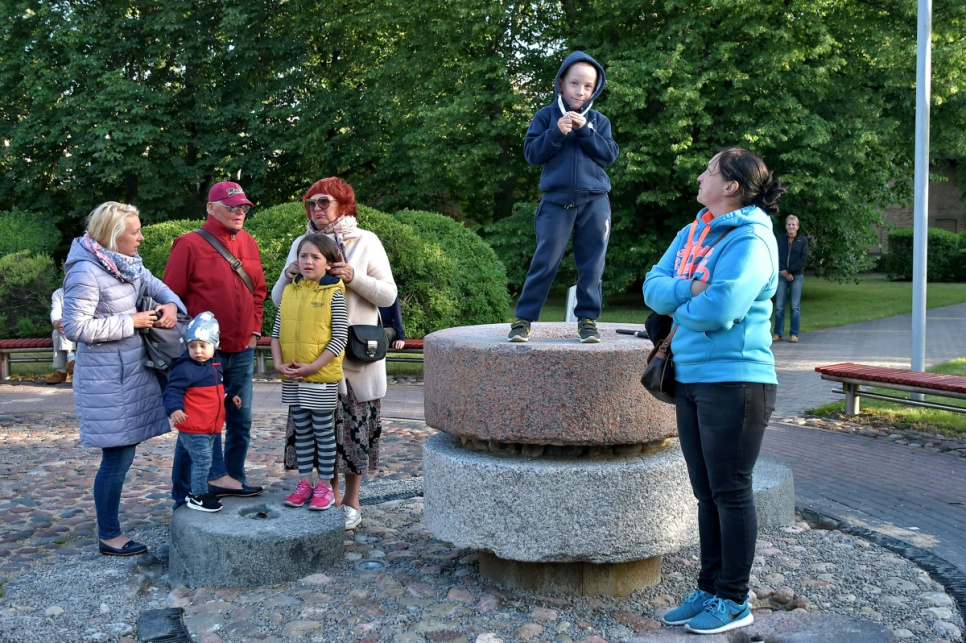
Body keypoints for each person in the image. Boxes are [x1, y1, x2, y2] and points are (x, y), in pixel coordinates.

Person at [642, 147, 785, 635]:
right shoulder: (691, 233)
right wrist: (691, 290)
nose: (700, 176)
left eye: (709, 170)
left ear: (731, 186)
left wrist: (680, 300)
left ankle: (734, 599)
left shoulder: (752, 238)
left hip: (736, 381)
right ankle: (709, 588)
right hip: (689, 377)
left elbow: (721, 310)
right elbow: (652, 287)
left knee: (730, 490)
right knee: (706, 493)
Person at [61, 201, 186, 556]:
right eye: (135, 232)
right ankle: (109, 535)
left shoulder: (128, 264)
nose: (141, 238)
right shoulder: (86, 271)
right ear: (114, 236)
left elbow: (164, 291)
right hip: (106, 380)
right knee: (117, 456)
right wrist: (131, 321)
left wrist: (170, 306)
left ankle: (179, 501)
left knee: (129, 452)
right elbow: (75, 327)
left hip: (131, 372)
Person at [272, 177, 397, 529]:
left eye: (324, 202)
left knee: (353, 432)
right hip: (310, 361)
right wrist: (287, 274)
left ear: (344, 204)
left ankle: (352, 501)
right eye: (310, 203)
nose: (316, 209)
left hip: (354, 357)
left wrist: (354, 277)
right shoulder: (301, 244)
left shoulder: (366, 241)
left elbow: (388, 295)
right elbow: (279, 301)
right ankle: (329, 493)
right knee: (317, 431)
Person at [163, 181, 268, 506]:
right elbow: (171, 297)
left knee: (240, 419)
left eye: (243, 207)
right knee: (195, 424)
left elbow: (258, 292)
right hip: (203, 354)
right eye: (232, 206)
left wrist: (254, 331)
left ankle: (231, 479)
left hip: (242, 348)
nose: (240, 212)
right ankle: (184, 493)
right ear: (211, 207)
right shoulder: (189, 244)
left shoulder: (248, 242)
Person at [509, 50, 620, 344]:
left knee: (592, 265)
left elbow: (609, 155)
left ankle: (587, 321)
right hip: (556, 202)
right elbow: (532, 154)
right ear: (561, 83)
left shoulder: (599, 120)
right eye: (574, 83)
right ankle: (523, 320)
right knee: (544, 261)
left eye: (588, 86)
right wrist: (556, 133)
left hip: (595, 202)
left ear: (595, 89)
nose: (580, 91)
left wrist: (585, 132)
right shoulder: (545, 116)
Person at [271, 234, 348, 510]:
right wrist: (278, 365)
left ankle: (325, 487)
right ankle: (305, 483)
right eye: (303, 255)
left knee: (323, 433)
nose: (308, 261)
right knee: (302, 432)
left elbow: (340, 338)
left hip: (320, 379)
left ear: (328, 264)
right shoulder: (289, 292)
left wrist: (313, 367)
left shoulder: (334, 293)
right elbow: (276, 333)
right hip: (292, 376)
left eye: (316, 257)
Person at [162, 312, 242, 513]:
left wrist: (230, 395)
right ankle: (198, 495)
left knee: (202, 460)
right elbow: (173, 390)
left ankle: (195, 491)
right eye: (192, 346)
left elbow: (218, 387)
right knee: (202, 460)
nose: (197, 351)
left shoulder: (214, 365)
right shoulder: (186, 368)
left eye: (203, 346)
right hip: (194, 426)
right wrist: (174, 409)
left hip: (209, 426)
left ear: (214, 346)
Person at [773, 215, 808, 343]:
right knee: (779, 306)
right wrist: (784, 271)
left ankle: (794, 334)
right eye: (789, 224)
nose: (791, 226)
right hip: (781, 275)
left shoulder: (803, 240)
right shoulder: (779, 239)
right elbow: (775, 256)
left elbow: (803, 259)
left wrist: (789, 271)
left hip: (796, 276)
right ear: (786, 226)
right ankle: (778, 333)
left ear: (797, 227)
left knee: (794, 306)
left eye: (794, 224)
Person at [45, 287, 75, 384]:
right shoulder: (58, 293)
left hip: (84, 327)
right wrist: (56, 322)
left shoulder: (84, 289)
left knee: (64, 326)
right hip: (67, 330)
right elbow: (55, 312)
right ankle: (71, 361)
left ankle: (62, 370)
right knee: (57, 331)